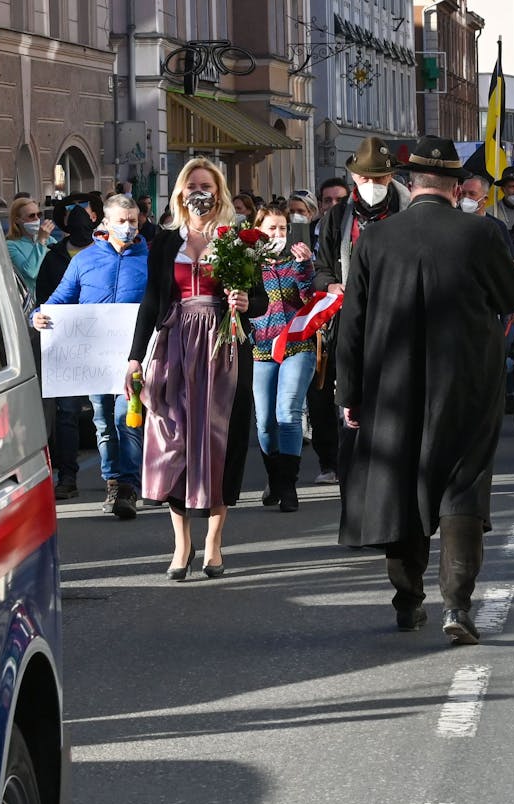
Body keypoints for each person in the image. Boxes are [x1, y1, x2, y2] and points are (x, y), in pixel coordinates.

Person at [335, 135, 514, 644]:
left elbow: (350, 323)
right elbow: (512, 295)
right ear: (457, 186)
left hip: (391, 385)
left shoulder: (375, 239)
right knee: (461, 487)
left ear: (409, 183)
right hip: (466, 381)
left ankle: (407, 599)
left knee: (400, 486)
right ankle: (457, 607)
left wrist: (349, 393)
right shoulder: (480, 234)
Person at [126, 158, 266, 579]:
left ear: (219, 192)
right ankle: (181, 544)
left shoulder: (236, 239)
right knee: (175, 439)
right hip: (177, 344)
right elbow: (152, 301)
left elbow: (259, 300)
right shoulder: (167, 242)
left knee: (220, 439)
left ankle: (214, 543)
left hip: (224, 346)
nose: (198, 192)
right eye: (191, 186)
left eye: (206, 185)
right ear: (181, 193)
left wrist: (244, 302)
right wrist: (135, 355)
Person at [35, 194, 149, 519]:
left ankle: (128, 487)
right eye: (121, 221)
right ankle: (112, 480)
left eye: (132, 221)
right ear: (107, 223)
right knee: (102, 422)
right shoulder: (84, 261)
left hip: (133, 357)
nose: (127, 227)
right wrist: (39, 316)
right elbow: (59, 298)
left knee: (125, 418)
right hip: (94, 358)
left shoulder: (149, 262)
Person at [313, 137, 411, 486]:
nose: (372, 186)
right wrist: (331, 286)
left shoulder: (409, 212)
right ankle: (352, 475)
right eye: (365, 179)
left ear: (391, 178)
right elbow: (321, 266)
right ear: (353, 178)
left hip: (398, 322)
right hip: (349, 322)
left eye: (379, 179)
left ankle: (392, 473)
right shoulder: (338, 216)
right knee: (349, 403)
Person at [250, 205, 317, 512]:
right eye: (270, 228)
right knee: (264, 422)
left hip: (296, 347)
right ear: (258, 230)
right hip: (261, 349)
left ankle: (288, 484)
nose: (276, 234)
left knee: (288, 414)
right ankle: (274, 476)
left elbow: (307, 300)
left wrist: (305, 268)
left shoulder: (295, 262)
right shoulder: (248, 266)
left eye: (281, 228)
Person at [34, 206, 97, 500]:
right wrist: (40, 315)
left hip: (103, 341)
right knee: (68, 412)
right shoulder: (54, 258)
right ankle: (67, 475)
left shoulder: (103, 255)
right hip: (67, 342)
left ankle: (125, 479)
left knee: (111, 414)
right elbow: (47, 297)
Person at [6, 197, 56, 293]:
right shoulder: (11, 245)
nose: (37, 219)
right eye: (31, 216)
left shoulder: (50, 240)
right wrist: (41, 241)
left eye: (39, 214)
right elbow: (30, 272)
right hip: (33, 301)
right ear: (17, 220)